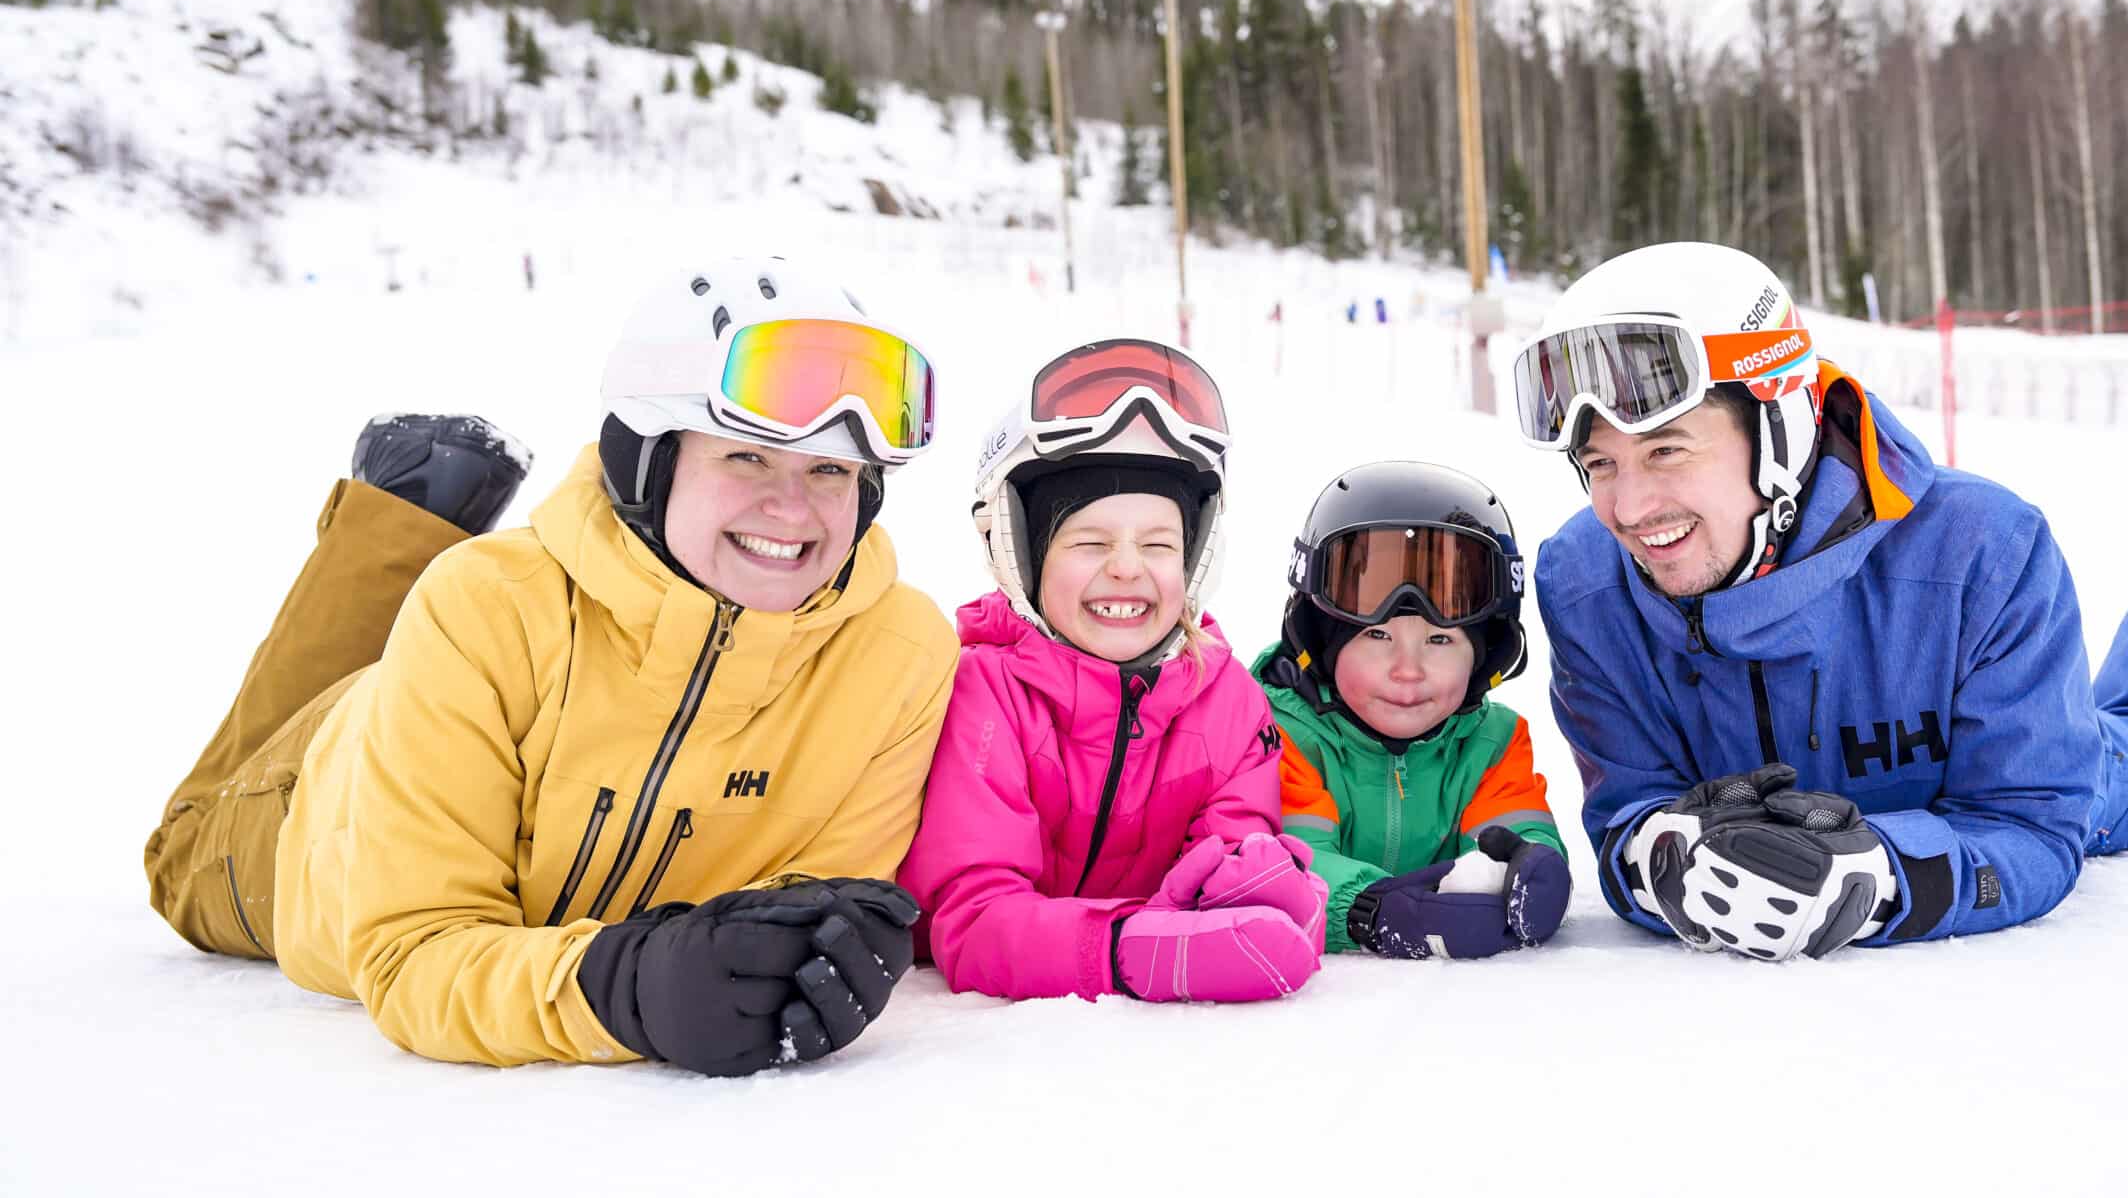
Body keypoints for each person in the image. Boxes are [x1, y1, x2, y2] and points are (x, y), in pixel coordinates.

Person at [142, 259, 960, 1074]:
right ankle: (400, 519)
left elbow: (815, 908)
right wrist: (621, 989)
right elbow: (412, 952)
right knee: (180, 857)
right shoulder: (485, 605)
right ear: (651, 459)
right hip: (318, 804)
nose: (795, 509)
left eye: (830, 470)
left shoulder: (901, 653)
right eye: (746, 457)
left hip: (456, 688)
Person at [1519, 242, 2128, 960]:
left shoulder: (1982, 551)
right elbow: (1630, 808)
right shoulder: (1586, 586)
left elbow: (2031, 819)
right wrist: (1663, 860)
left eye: (1667, 449)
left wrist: (1879, 877)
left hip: (1992, 772)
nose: (1627, 507)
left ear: (1780, 429)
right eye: (1600, 465)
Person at [898, 337, 1326, 1003]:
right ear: (1023, 559)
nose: (1127, 567)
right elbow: (975, 918)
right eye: (1090, 541)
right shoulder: (981, 695)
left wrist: (1251, 882)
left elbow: (1232, 850)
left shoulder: (1231, 705)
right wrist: (1126, 948)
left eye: (1158, 544)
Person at [1254, 461, 1572, 958]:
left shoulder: (1491, 744)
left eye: (1440, 639)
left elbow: (1515, 833)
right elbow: (1290, 863)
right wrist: (1371, 911)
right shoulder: (1278, 735)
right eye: (1377, 636)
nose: (1408, 670)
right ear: (1321, 643)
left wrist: (1534, 868)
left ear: (1485, 655)